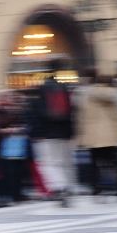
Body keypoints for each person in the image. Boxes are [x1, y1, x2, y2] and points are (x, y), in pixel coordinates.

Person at [30, 59, 75, 207]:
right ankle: (67, 186)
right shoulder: (64, 88)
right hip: (64, 132)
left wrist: (37, 133)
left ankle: (59, 188)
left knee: (49, 163)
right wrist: (71, 132)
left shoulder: (42, 90)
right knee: (64, 162)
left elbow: (38, 113)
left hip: (48, 134)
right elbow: (71, 111)